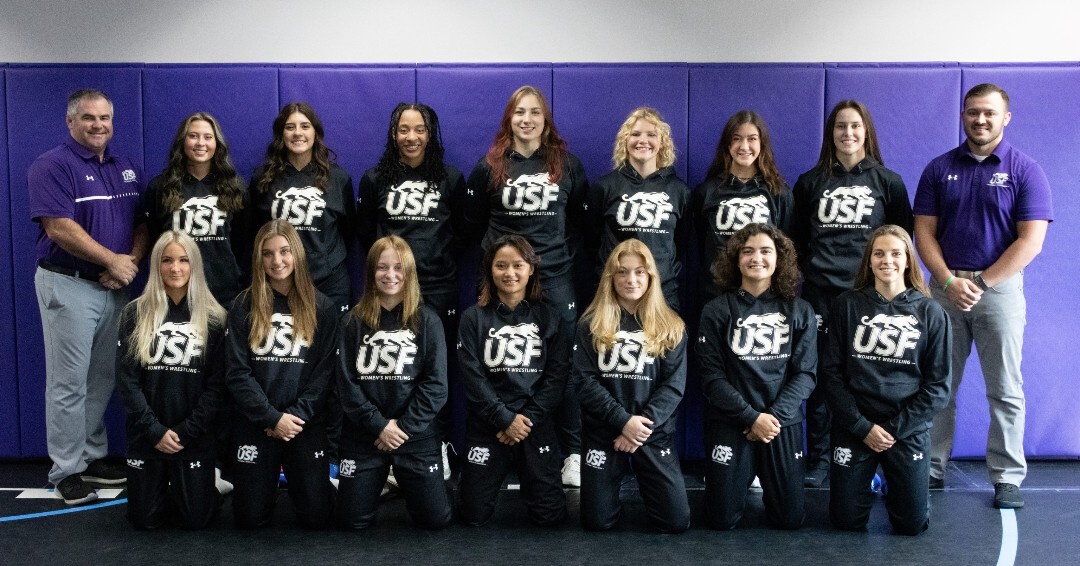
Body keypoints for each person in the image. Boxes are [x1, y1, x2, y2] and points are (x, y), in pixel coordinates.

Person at [914, 83, 1052, 509]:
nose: (980, 119)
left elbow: (1031, 241)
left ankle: (1007, 477)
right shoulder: (939, 169)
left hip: (999, 293)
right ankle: (930, 468)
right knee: (938, 384)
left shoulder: (1025, 170)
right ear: (963, 115)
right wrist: (948, 282)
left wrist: (982, 283)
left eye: (989, 113)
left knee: (1006, 387)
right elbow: (923, 233)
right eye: (973, 112)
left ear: (1005, 117)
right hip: (944, 291)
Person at [28, 88, 147, 504]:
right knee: (68, 383)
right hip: (69, 284)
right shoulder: (52, 165)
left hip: (115, 286)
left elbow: (142, 222)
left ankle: (92, 458)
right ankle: (65, 470)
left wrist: (128, 263)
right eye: (88, 118)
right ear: (70, 122)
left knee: (101, 378)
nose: (98, 125)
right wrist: (112, 261)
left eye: (104, 118)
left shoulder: (125, 166)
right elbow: (59, 227)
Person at [465, 85, 588, 486]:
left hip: (554, 278)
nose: (527, 119)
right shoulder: (489, 166)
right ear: (509, 119)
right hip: (502, 278)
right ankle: (496, 444)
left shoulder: (566, 166)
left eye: (535, 112)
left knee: (563, 365)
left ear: (545, 120)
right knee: (497, 359)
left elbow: (580, 222)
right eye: (520, 112)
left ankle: (572, 454)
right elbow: (473, 223)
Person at [791, 100, 913, 488]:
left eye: (855, 126)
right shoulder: (810, 182)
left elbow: (901, 240)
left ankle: (873, 458)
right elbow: (795, 240)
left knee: (869, 374)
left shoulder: (887, 181)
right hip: (821, 294)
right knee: (821, 377)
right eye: (841, 126)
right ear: (831, 133)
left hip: (868, 296)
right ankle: (821, 458)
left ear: (866, 131)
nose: (848, 133)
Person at [357, 102, 467, 476]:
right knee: (389, 369)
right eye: (404, 129)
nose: (411, 137)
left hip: (438, 288)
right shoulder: (375, 179)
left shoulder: (450, 178)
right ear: (394, 134)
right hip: (388, 291)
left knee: (436, 372)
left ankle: (437, 445)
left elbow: (463, 234)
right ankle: (388, 446)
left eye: (419, 129)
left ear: (429, 134)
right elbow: (365, 234)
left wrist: (433, 258)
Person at [823, 225, 951, 535]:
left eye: (896, 254)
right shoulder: (847, 305)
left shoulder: (931, 312)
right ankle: (869, 478)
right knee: (846, 521)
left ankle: (898, 481)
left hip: (905, 429)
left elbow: (938, 388)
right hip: (856, 426)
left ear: (908, 261)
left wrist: (893, 430)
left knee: (911, 525)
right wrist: (862, 427)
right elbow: (830, 374)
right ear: (869, 261)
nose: (887, 260)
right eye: (879, 254)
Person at [698, 223, 816, 530]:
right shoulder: (717, 310)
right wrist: (751, 417)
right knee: (721, 520)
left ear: (779, 259)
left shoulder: (800, 310)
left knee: (790, 520)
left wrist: (771, 419)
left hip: (781, 423)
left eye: (766, 251)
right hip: (732, 421)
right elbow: (711, 377)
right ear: (736, 259)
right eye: (747, 251)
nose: (756, 258)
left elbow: (806, 375)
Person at [225, 220, 339, 528]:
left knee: (317, 518)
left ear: (297, 254)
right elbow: (237, 373)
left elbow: (324, 376)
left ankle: (318, 483)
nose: (277, 261)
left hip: (303, 425)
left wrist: (293, 418)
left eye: (284, 251)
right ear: (258, 259)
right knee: (249, 518)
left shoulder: (323, 307)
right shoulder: (242, 305)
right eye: (268, 253)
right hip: (257, 424)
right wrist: (271, 418)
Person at [335, 235, 452, 530]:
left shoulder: (428, 321)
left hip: (414, 435)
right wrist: (379, 425)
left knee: (435, 520)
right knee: (351, 522)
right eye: (382, 267)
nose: (390, 275)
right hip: (365, 435)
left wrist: (402, 428)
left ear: (409, 272)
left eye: (398, 267)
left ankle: (412, 481)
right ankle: (383, 478)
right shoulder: (352, 322)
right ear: (370, 272)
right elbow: (346, 385)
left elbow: (436, 386)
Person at [575, 239, 690, 533]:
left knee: (675, 522)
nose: (631, 279)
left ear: (651, 276)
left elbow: (674, 386)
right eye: (622, 272)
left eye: (640, 272)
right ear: (610, 277)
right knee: (597, 522)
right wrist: (622, 421)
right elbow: (584, 382)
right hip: (604, 432)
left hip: (652, 433)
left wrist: (639, 427)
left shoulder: (672, 326)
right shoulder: (590, 324)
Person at [116, 231, 227, 529]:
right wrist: (154, 431)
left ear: (194, 265)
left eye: (183, 260)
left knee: (195, 520)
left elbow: (217, 387)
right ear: (157, 265)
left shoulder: (215, 318)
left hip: (192, 437)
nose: (175, 268)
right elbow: (127, 382)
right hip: (147, 436)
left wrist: (186, 432)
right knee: (144, 521)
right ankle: (164, 487)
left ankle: (209, 484)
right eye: (167, 260)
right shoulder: (134, 313)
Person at [456, 234, 568, 527]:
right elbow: (472, 378)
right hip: (488, 425)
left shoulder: (550, 317)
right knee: (472, 515)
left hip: (534, 424)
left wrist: (524, 420)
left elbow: (556, 378)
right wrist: (505, 419)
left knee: (550, 517)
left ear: (531, 269)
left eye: (518, 265)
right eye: (501, 265)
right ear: (490, 270)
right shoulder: (473, 318)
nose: (510, 273)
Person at [250, 102, 355, 311]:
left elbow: (349, 231)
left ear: (316, 132)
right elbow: (254, 232)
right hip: (280, 281)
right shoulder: (263, 180)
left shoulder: (338, 178)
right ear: (281, 134)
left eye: (305, 126)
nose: (298, 133)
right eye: (290, 127)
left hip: (329, 282)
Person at [587, 107, 689, 311]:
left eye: (651, 134)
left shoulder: (679, 191)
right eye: (635, 134)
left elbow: (681, 243)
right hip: (614, 293)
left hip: (663, 292)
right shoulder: (604, 187)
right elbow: (591, 239)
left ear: (662, 142)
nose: (643, 140)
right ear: (625, 140)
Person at [142, 112, 247, 308]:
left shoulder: (236, 188)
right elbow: (155, 239)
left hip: (224, 292)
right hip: (174, 292)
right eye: (193, 136)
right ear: (182, 142)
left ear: (217, 143)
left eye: (208, 137)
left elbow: (242, 242)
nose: (200, 143)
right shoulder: (160, 187)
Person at [692, 110, 793, 300]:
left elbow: (784, 245)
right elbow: (700, 242)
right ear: (727, 144)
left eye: (752, 139)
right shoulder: (706, 192)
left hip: (761, 295)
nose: (744, 146)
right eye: (737, 138)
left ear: (761, 143)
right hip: (717, 293)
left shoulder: (779, 193)